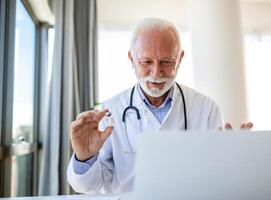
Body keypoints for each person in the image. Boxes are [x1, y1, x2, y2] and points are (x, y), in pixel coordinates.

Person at [67, 18, 253, 194]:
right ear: (132, 59)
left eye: (166, 62)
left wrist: (232, 159)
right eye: (146, 62)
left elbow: (215, 180)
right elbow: (90, 187)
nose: (156, 73)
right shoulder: (110, 111)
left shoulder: (206, 108)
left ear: (179, 59)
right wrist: (84, 157)